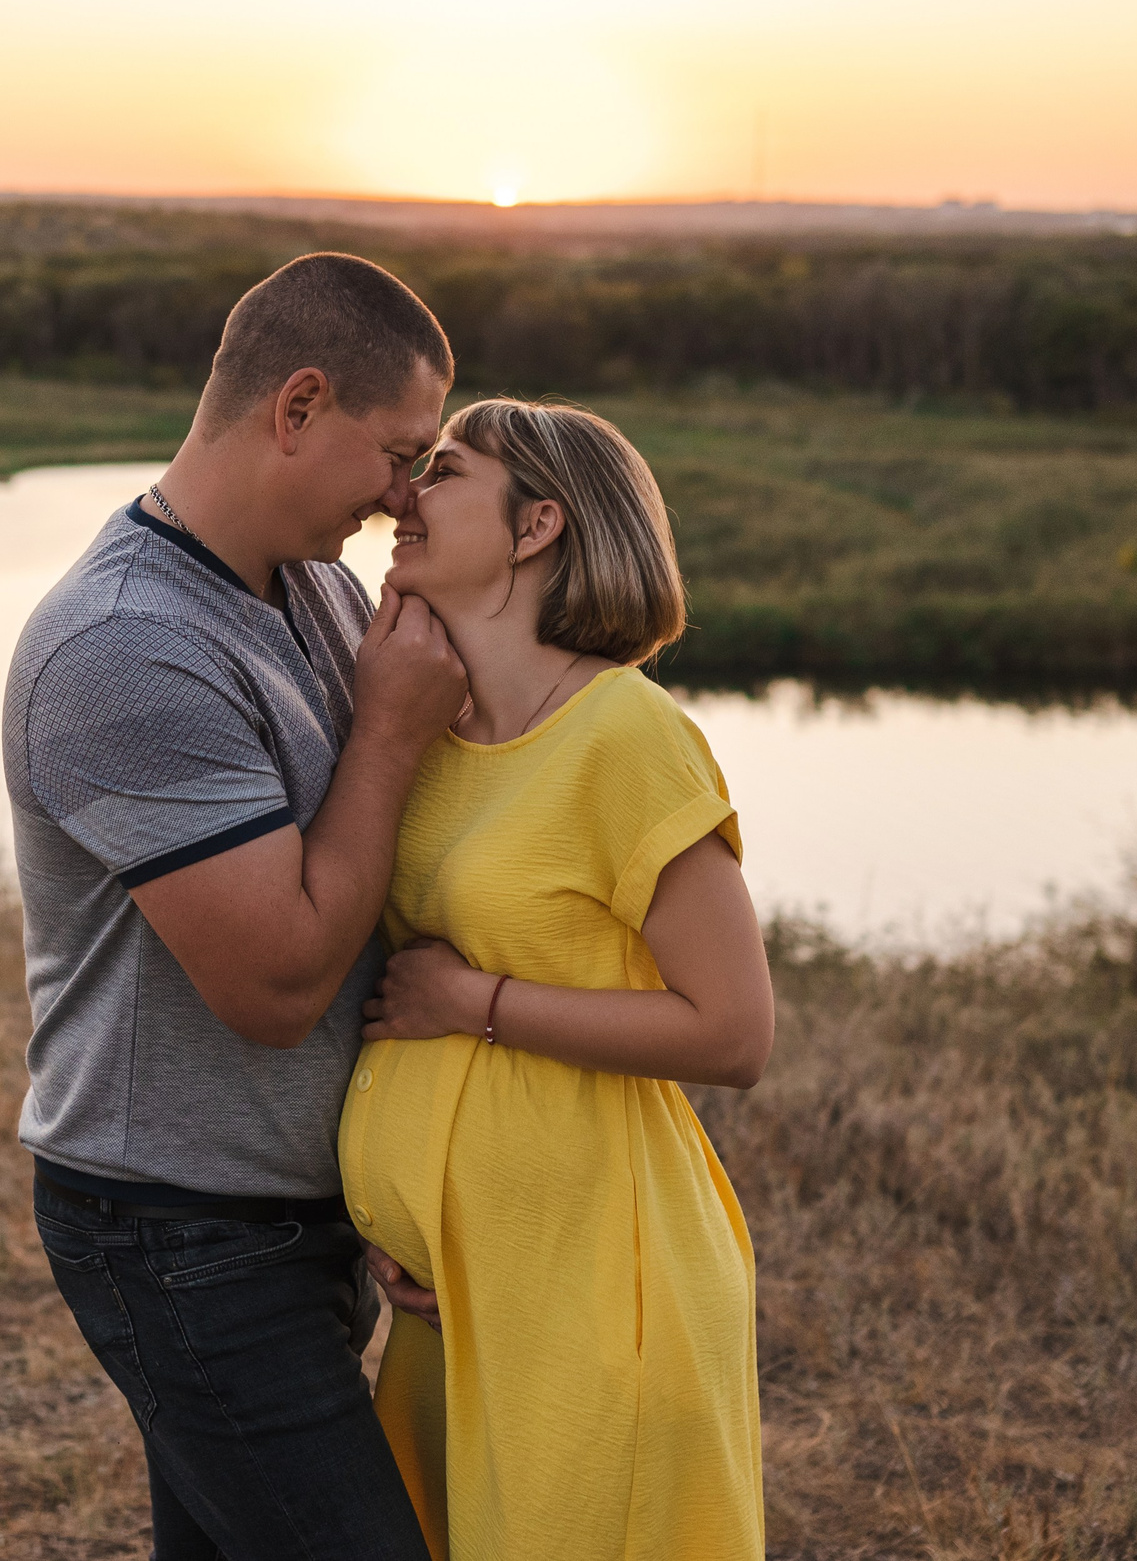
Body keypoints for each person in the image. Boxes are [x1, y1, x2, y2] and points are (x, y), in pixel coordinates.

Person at [2, 252, 470, 1561]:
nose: (401, 498)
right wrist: (386, 731)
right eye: (397, 452)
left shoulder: (306, 582)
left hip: (287, 1216)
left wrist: (403, 1193)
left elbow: (368, 887)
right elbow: (276, 990)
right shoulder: (124, 648)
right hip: (178, 1233)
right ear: (298, 405)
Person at [339, 399, 773, 1560]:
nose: (402, 499)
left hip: (595, 1281)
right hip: (452, 1291)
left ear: (536, 525)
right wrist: (412, 1224)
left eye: (443, 474)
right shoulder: (428, 733)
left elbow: (734, 1029)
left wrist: (473, 1003)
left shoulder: (625, 733)